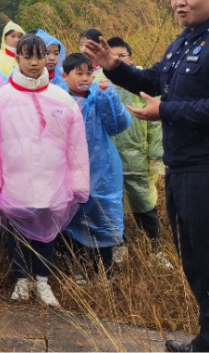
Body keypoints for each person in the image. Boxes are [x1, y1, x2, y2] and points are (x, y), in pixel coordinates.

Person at [82, 0, 209, 353]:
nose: (179, 2)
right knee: (196, 260)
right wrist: (113, 66)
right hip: (185, 169)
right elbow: (154, 79)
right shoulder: (186, 41)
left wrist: (165, 111)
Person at [0, 34, 90, 308]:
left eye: (40, 56)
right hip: (15, 183)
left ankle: (42, 280)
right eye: (28, 56)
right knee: (17, 234)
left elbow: (76, 145)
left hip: (53, 182)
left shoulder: (62, 99)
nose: (35, 62)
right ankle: (20, 280)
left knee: (47, 233)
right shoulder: (0, 99)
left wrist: (79, 184)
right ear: (17, 58)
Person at [60, 53, 131, 279]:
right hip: (69, 169)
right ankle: (77, 270)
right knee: (71, 219)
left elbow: (118, 125)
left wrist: (109, 96)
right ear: (65, 76)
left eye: (88, 73)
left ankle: (105, 273)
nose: (85, 78)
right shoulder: (58, 100)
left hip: (102, 169)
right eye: (79, 73)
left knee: (103, 217)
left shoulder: (98, 98)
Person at [106, 37, 168, 264]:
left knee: (145, 203)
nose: (117, 59)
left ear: (131, 59)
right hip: (109, 157)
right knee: (112, 203)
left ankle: (154, 249)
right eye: (112, 56)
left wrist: (156, 157)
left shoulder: (143, 85)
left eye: (121, 56)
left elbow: (156, 126)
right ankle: (118, 245)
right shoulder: (99, 83)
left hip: (138, 156)